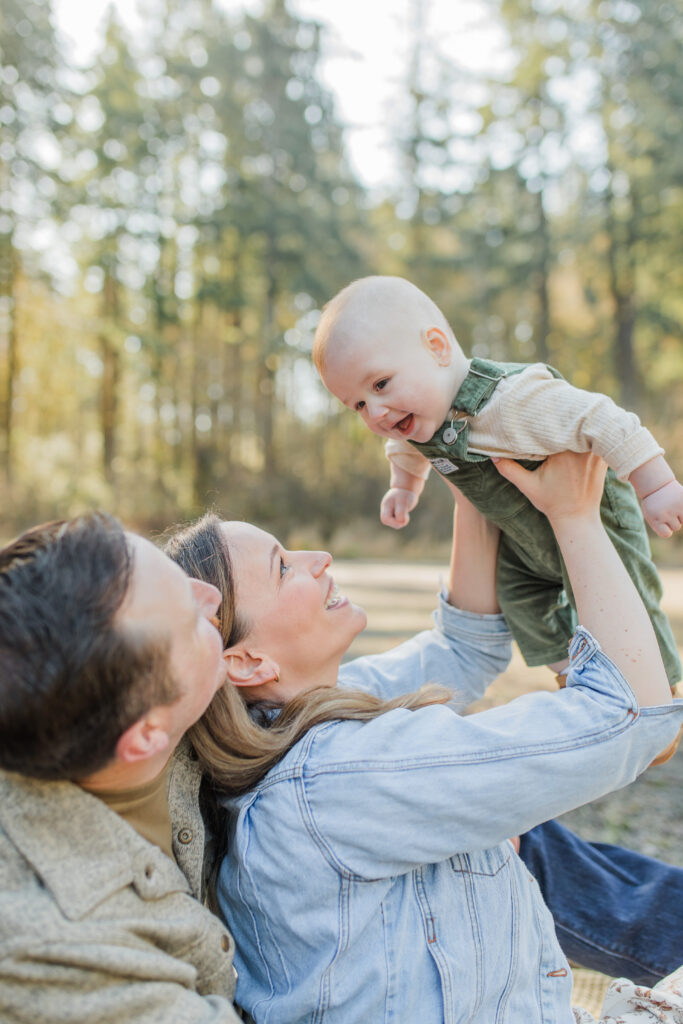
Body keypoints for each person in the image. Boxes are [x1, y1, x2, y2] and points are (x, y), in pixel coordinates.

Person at [167, 452, 683, 1024]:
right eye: (284, 567)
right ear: (246, 660)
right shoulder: (339, 776)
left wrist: (465, 474)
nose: (319, 559)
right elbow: (626, 715)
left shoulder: (292, 718)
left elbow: (463, 651)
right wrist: (575, 517)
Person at [311, 274, 682, 696]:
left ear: (436, 347)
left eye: (380, 384)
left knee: (624, 597)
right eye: (358, 404)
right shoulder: (415, 422)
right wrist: (404, 488)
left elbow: (603, 418)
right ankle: (572, 672)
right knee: (519, 599)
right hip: (525, 544)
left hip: (598, 525)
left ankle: (661, 684)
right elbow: (405, 449)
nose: (376, 412)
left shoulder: (512, 400)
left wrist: (657, 485)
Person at [0, 513, 243, 1023]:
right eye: (189, 616)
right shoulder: (47, 947)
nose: (213, 596)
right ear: (147, 735)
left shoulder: (138, 711)